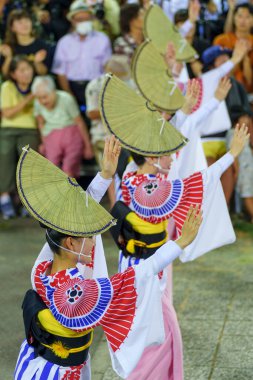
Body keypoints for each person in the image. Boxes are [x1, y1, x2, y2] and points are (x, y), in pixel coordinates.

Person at [14, 136, 203, 380]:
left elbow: (74, 218)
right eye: (90, 237)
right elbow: (139, 274)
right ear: (71, 242)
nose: (95, 242)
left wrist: (104, 175)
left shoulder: (41, 268)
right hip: (61, 374)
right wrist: (179, 243)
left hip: (32, 362)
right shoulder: (79, 295)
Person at [100, 74, 249, 379]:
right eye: (167, 154)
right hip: (145, 272)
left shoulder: (132, 172)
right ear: (153, 157)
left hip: (145, 263)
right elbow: (198, 181)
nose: (173, 158)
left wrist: (197, 108)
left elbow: (180, 132)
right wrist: (232, 154)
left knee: (160, 331)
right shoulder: (148, 190)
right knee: (158, 335)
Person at [52, 0, 112, 116]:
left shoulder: (102, 39)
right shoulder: (64, 43)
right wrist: (70, 97)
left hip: (96, 88)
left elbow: (107, 68)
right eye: (80, 20)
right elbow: (61, 73)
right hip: (73, 88)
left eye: (86, 19)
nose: (84, 22)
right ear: (72, 21)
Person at [0, 55, 39, 220]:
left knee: (27, 164)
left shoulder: (38, 85)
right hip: (7, 129)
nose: (26, 73)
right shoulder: (8, 86)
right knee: (4, 159)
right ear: (14, 74)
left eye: (29, 69)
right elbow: (7, 113)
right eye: (22, 70)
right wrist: (29, 98)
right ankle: (4, 198)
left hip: (30, 130)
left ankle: (26, 202)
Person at [31, 76, 93, 178]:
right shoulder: (37, 103)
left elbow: (79, 122)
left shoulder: (66, 99)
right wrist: (44, 143)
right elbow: (41, 123)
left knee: (69, 171)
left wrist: (88, 145)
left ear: (53, 91)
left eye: (45, 97)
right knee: (51, 169)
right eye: (39, 98)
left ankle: (69, 192)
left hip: (71, 134)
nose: (42, 101)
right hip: (51, 135)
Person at [213, 3, 253, 93]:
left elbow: (250, 81)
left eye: (247, 17)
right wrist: (238, 56)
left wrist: (245, 57)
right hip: (224, 90)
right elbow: (219, 74)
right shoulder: (221, 40)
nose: (243, 21)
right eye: (240, 16)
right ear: (233, 18)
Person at [0, 9, 52, 78]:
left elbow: (44, 74)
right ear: (12, 27)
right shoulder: (8, 47)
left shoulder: (42, 45)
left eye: (27, 21)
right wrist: (8, 58)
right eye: (20, 22)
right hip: (14, 85)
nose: (25, 25)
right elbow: (5, 75)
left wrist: (37, 63)